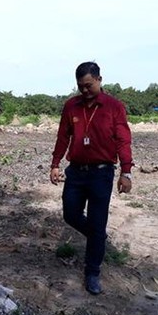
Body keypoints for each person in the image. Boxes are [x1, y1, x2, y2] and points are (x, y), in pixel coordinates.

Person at [49, 62, 133, 295]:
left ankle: (92, 272)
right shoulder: (71, 106)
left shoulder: (114, 107)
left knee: (97, 222)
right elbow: (62, 136)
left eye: (88, 86)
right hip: (75, 171)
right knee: (70, 214)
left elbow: (123, 140)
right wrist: (55, 164)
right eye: (80, 87)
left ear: (99, 79)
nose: (84, 91)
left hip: (101, 173)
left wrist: (126, 171)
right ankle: (98, 237)